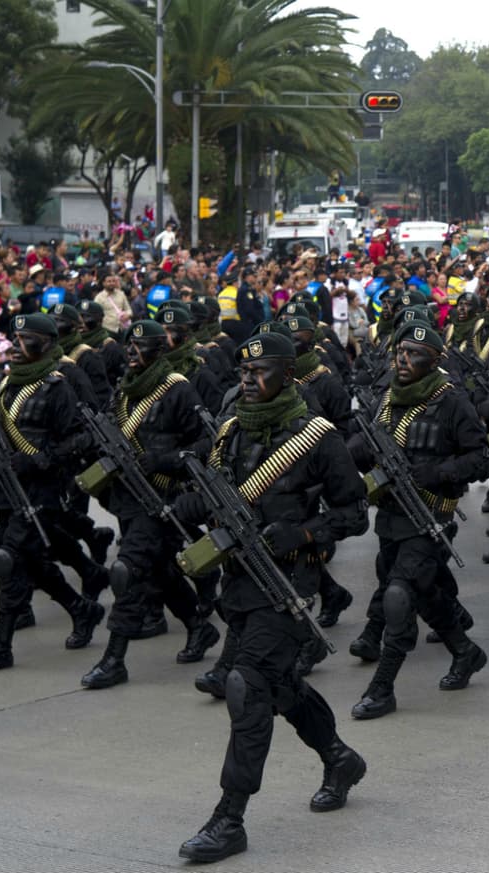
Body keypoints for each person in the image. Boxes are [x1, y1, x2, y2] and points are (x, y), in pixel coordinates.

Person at [173, 330, 368, 863]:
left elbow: (354, 513)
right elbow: (214, 491)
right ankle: (338, 756)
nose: (249, 381)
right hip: (239, 581)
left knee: (247, 686)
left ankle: (229, 817)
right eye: (243, 373)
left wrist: (304, 534)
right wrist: (194, 504)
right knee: (281, 686)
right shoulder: (232, 429)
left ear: (288, 374)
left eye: (260, 373)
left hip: (288, 582)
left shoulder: (316, 436)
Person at [345, 322, 489, 720]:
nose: (403, 361)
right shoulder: (391, 397)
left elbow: (481, 459)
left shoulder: (452, 402)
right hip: (392, 516)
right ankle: (465, 651)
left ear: (434, 361)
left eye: (413, 356)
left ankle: (382, 687)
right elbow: (369, 440)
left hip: (431, 516)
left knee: (399, 597)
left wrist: (439, 473)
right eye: (400, 353)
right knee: (427, 593)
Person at [79, 319, 218, 689]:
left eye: (141, 347)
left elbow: (209, 444)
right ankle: (198, 626)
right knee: (160, 570)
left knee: (128, 571)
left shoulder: (178, 390)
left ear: (160, 351)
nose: (132, 352)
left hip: (163, 498)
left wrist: (166, 460)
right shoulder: (126, 391)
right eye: (130, 346)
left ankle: (114, 659)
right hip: (129, 498)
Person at [0, 314, 104, 673]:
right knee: (34, 563)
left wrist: (42, 460)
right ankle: (80, 608)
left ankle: (0, 643)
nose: (15, 344)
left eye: (25, 338)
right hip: (10, 486)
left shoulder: (58, 386)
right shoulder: (9, 383)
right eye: (15, 337)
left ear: (45, 342)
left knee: (10, 560)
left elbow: (82, 437)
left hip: (42, 488)